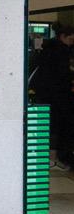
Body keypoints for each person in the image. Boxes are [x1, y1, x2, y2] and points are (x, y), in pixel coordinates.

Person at [32, 23, 74, 167]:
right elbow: (63, 76)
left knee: (45, 123)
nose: (71, 43)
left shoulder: (46, 49)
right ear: (63, 37)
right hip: (58, 96)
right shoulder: (61, 51)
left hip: (43, 94)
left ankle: (45, 157)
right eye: (70, 40)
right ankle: (53, 158)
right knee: (57, 126)